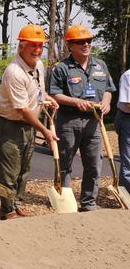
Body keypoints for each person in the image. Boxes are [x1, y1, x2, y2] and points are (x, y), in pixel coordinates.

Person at [0, 24, 59, 220]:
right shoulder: (14, 72)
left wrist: (47, 97)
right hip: (10, 125)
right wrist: (45, 132)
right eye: (32, 45)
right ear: (21, 46)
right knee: (10, 171)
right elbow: (22, 110)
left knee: (24, 169)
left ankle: (17, 202)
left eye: (40, 45)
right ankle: (7, 209)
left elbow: (38, 90)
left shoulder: (38, 65)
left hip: (28, 125)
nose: (37, 50)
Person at [49, 25, 115, 211]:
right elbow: (54, 94)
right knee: (65, 163)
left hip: (94, 122)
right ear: (70, 45)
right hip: (68, 122)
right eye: (80, 42)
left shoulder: (100, 65)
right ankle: (65, 201)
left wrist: (107, 102)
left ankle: (89, 203)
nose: (86, 44)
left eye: (89, 41)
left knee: (94, 165)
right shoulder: (61, 68)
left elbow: (109, 89)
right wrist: (75, 102)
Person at [115, 68, 130, 193]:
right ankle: (127, 194)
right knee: (128, 161)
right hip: (127, 119)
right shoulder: (128, 76)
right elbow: (128, 103)